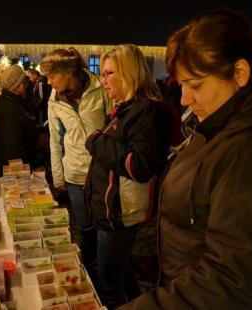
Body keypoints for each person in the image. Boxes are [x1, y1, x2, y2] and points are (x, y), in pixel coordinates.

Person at [120, 10, 252, 309]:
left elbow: (231, 278)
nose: (184, 98)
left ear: (240, 73)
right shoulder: (220, 119)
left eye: (195, 85)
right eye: (181, 84)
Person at [84, 44, 174, 309]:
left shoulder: (148, 111)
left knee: (108, 278)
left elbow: (139, 166)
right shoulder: (127, 108)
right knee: (119, 273)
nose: (103, 80)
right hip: (112, 208)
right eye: (102, 73)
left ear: (130, 74)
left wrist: (96, 141)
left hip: (121, 213)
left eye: (109, 73)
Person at [39, 47, 111, 282]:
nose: (49, 82)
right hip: (74, 174)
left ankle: (106, 270)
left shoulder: (100, 89)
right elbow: (56, 140)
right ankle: (89, 272)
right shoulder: (54, 100)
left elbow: (113, 127)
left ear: (69, 72)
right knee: (85, 227)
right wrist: (58, 178)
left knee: (105, 226)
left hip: (101, 172)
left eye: (52, 76)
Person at [0, 64, 39, 177]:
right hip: (12, 172)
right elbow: (12, 146)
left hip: (11, 167)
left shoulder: (9, 102)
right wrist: (22, 174)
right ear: (16, 86)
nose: (26, 85)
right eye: (24, 82)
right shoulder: (9, 107)